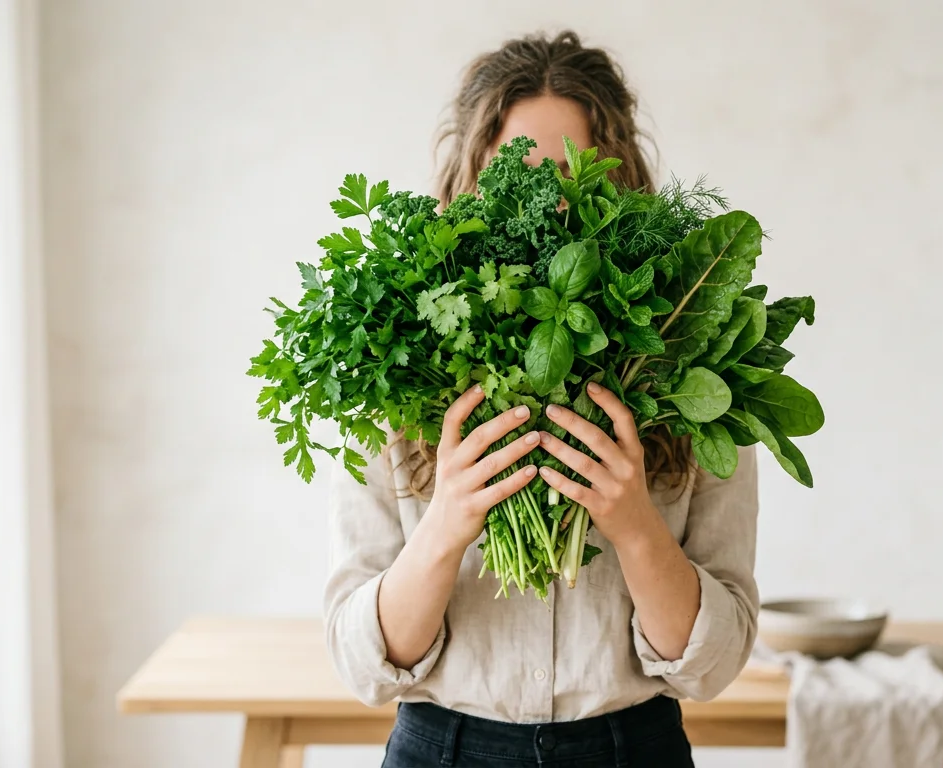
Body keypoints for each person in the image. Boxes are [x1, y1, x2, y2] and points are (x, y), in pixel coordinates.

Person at [324, 30, 759, 768]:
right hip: (444, 751)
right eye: (513, 174)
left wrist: (634, 525)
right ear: (469, 177)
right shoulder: (396, 364)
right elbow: (365, 664)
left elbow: (711, 666)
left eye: (571, 175)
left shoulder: (687, 359)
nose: (545, 205)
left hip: (631, 750)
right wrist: (450, 518)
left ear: (620, 185)